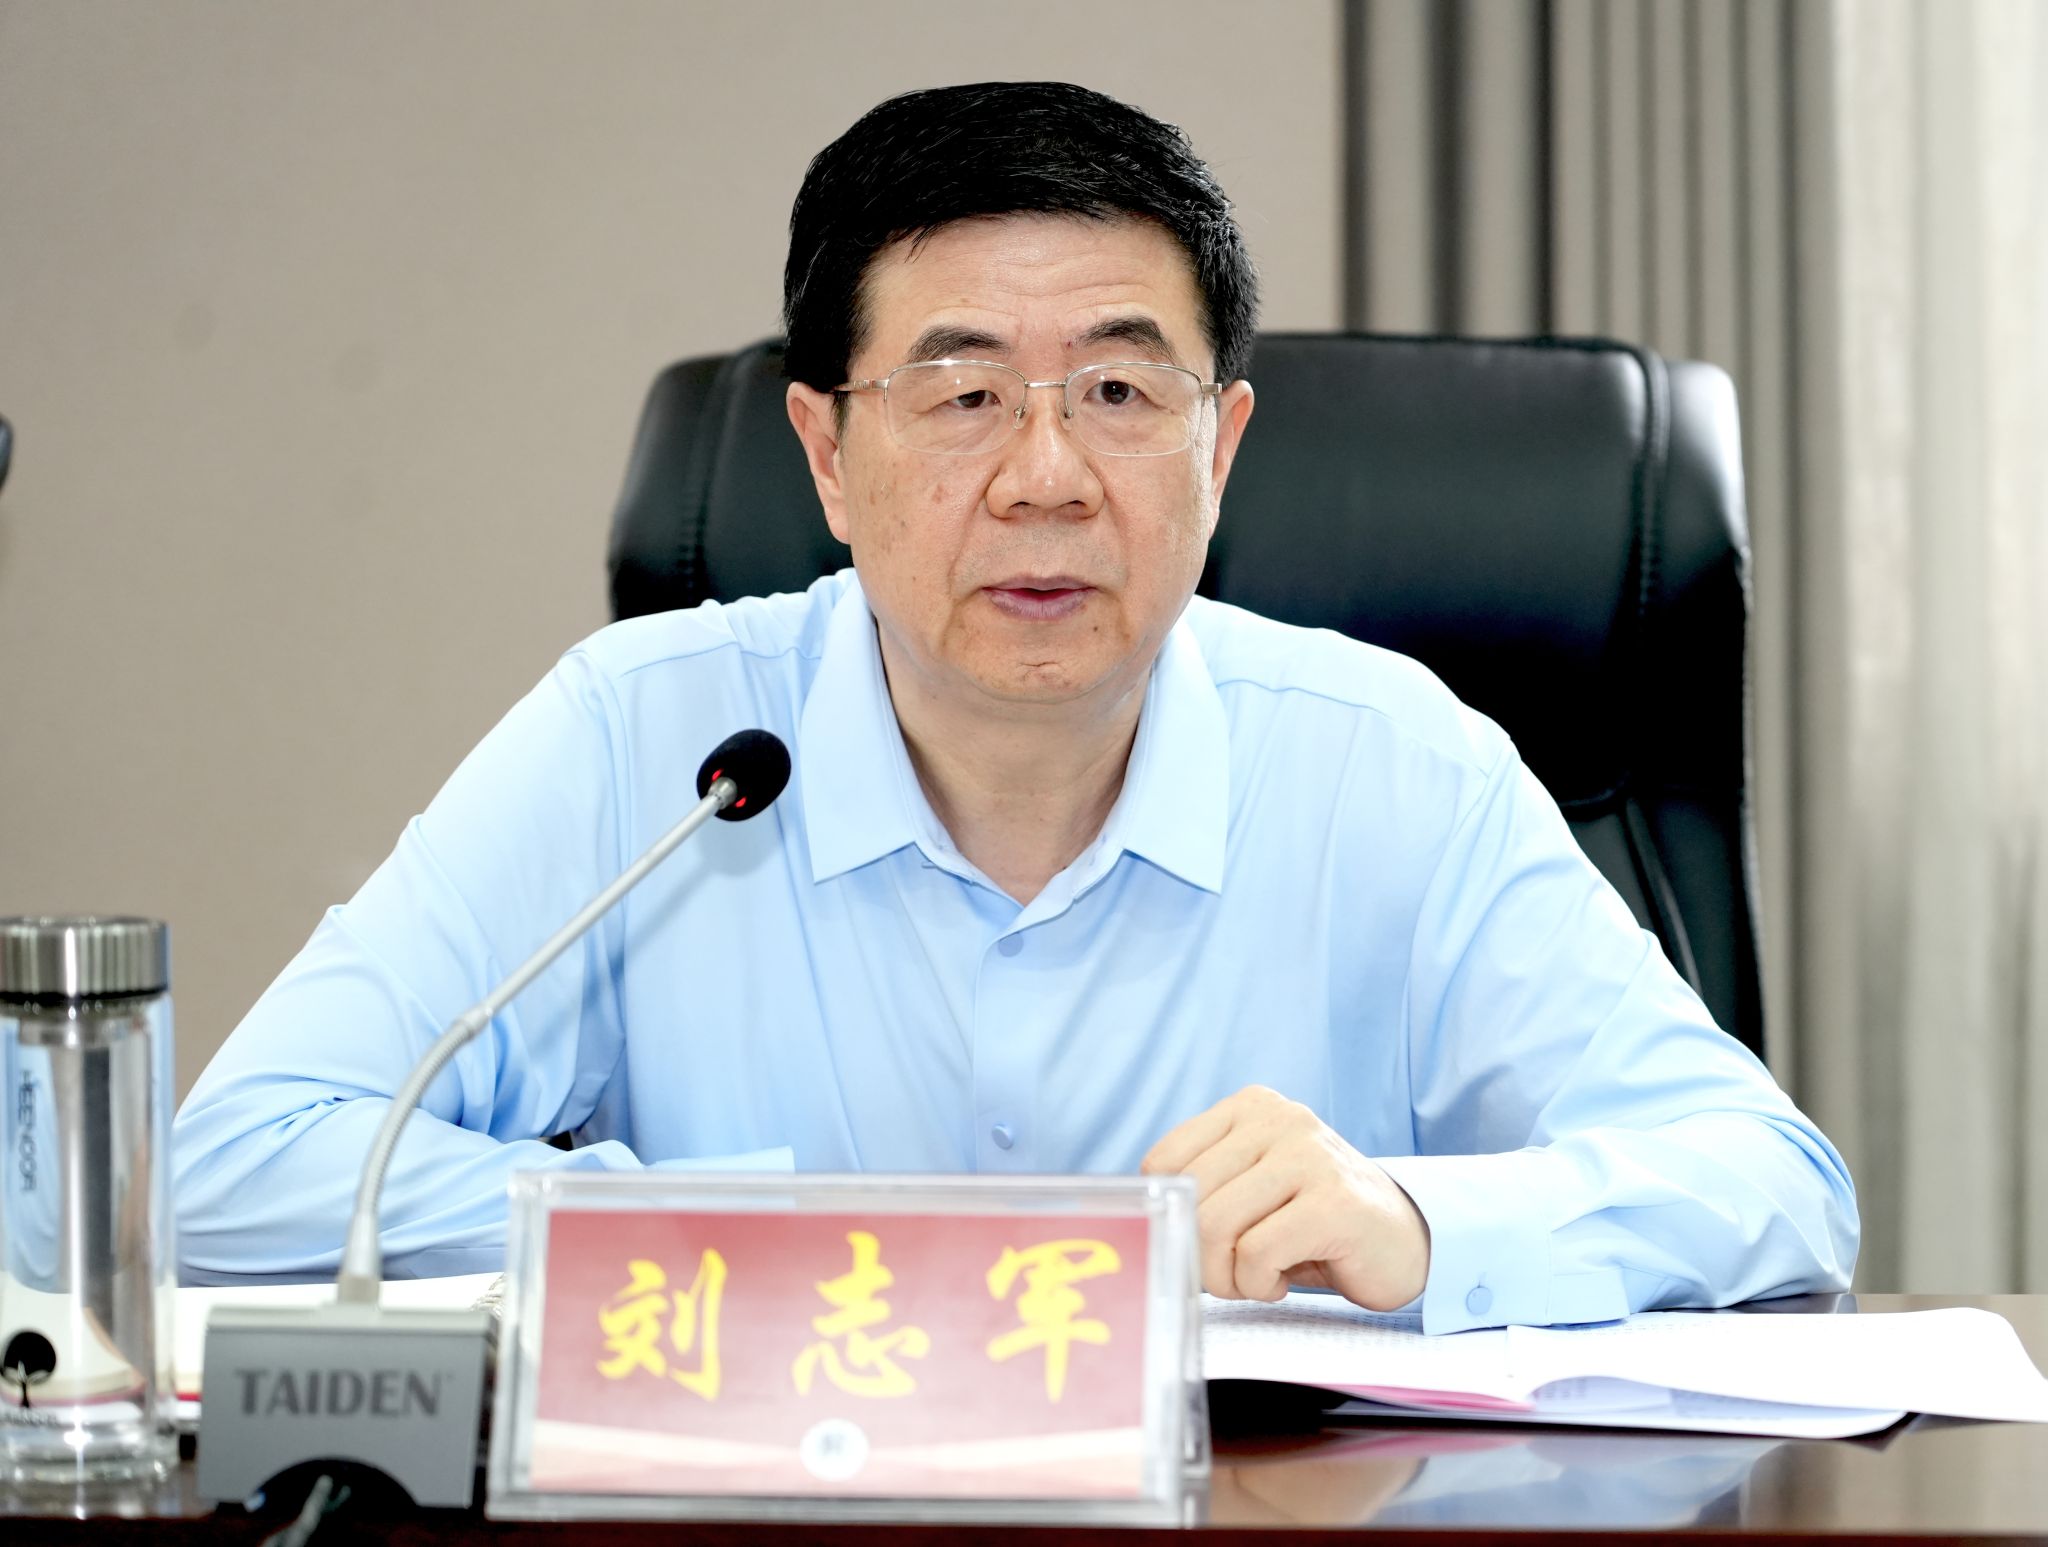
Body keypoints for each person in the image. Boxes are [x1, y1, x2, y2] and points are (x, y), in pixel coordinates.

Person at [173, 82, 1857, 1329]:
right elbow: (233, 1166)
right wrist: (731, 1236)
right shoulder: (649, 745)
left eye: (1119, 390)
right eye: (964, 393)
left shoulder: (1387, 766)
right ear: (828, 455)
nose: (1045, 476)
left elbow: (1772, 1186)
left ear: (1221, 448)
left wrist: (1413, 1223)